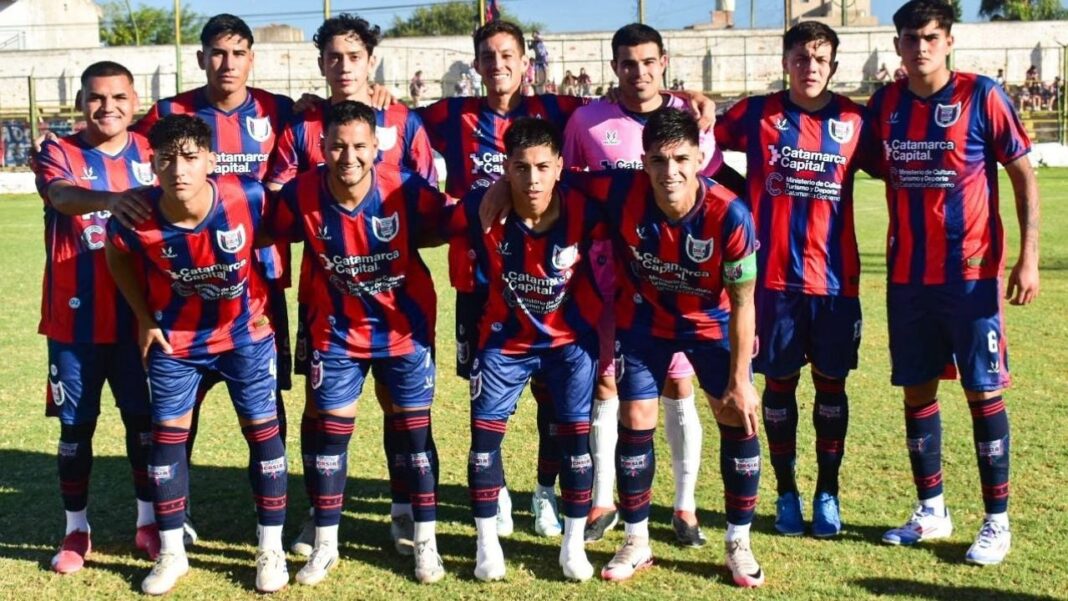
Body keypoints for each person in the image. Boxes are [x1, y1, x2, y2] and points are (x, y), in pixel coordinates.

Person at [867, 0, 1039, 566]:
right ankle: (932, 510)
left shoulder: (982, 95)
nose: (921, 47)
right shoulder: (886, 104)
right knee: (917, 389)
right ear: (897, 47)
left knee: (981, 390)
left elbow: (1020, 173)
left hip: (970, 277)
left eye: (931, 37)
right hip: (907, 276)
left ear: (949, 41)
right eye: (911, 38)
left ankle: (997, 521)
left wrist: (1028, 255)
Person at [265, 12, 439, 560]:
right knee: (323, 410)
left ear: (372, 61)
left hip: (394, 301)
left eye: (354, 56)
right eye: (333, 57)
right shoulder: (301, 127)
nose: (344, 66)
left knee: (401, 407)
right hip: (327, 302)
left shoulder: (403, 121)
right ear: (320, 64)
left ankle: (406, 510)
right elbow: (276, 204)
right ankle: (320, 516)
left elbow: (426, 203)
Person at [106, 114, 288, 595]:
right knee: (165, 442)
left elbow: (278, 233)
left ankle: (270, 548)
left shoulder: (247, 196)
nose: (179, 170)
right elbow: (116, 254)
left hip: (245, 336)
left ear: (211, 160)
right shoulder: (135, 215)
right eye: (167, 159)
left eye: (190, 158)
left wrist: (265, 294)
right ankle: (171, 553)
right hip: (177, 344)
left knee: (263, 435)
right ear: (152, 164)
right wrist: (145, 318)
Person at [131, 13, 295, 545]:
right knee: (181, 410)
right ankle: (174, 520)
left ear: (252, 58)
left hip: (259, 288)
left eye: (238, 53)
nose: (228, 63)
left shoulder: (281, 111)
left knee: (266, 407)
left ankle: (274, 512)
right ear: (202, 58)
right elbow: (128, 157)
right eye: (217, 53)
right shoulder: (168, 112)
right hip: (183, 288)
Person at [561, 22, 726, 547]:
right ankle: (604, 501)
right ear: (614, 67)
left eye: (648, 62)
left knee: (680, 385)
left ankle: (685, 506)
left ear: (664, 62)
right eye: (628, 64)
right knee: (608, 383)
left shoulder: (691, 118)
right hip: (608, 279)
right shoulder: (587, 121)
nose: (639, 73)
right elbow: (569, 188)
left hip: (677, 283)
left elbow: (708, 191)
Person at [716, 21, 870, 540]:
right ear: (785, 61)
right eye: (801, 57)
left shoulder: (854, 120)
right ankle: (786, 493)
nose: (810, 67)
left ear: (833, 66)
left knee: (831, 388)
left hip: (834, 284)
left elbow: (899, 166)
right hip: (774, 285)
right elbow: (704, 150)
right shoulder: (757, 113)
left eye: (820, 59)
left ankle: (828, 492)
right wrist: (745, 193)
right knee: (778, 388)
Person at [448, 117, 603, 582]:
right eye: (519, 168)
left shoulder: (587, 206)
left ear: (559, 166)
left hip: (569, 344)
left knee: (577, 444)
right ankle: (487, 546)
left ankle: (573, 546)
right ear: (505, 169)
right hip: (504, 342)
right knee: (483, 445)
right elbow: (428, 222)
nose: (531, 179)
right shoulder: (480, 207)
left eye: (541, 167)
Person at [35, 60, 158, 575]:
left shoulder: (153, 153)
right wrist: (115, 201)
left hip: (138, 321)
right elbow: (60, 196)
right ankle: (75, 528)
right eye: (95, 97)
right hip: (73, 322)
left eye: (118, 97)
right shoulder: (57, 150)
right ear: (81, 102)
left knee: (144, 427)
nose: (106, 107)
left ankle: (149, 521)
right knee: (75, 430)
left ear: (135, 101)